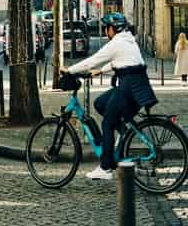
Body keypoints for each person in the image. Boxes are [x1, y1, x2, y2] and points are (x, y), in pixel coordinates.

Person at [63, 12, 157, 181]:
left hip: (129, 89)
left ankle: (106, 167)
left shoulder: (117, 43)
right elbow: (122, 61)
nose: (106, 31)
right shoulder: (128, 40)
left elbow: (93, 60)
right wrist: (101, 71)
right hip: (137, 88)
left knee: (107, 122)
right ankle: (122, 133)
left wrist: (70, 70)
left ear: (113, 29)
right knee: (100, 103)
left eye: (107, 28)